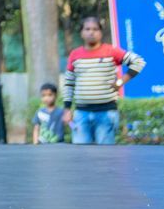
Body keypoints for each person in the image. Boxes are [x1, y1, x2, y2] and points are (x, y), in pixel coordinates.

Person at [61, 16, 146, 145]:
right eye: (87, 29)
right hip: (81, 113)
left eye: (95, 29)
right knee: (80, 154)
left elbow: (138, 62)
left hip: (106, 113)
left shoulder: (111, 51)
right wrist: (67, 109)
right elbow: (69, 83)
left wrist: (120, 82)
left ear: (100, 32)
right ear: (81, 33)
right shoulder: (75, 55)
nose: (91, 32)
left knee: (105, 155)